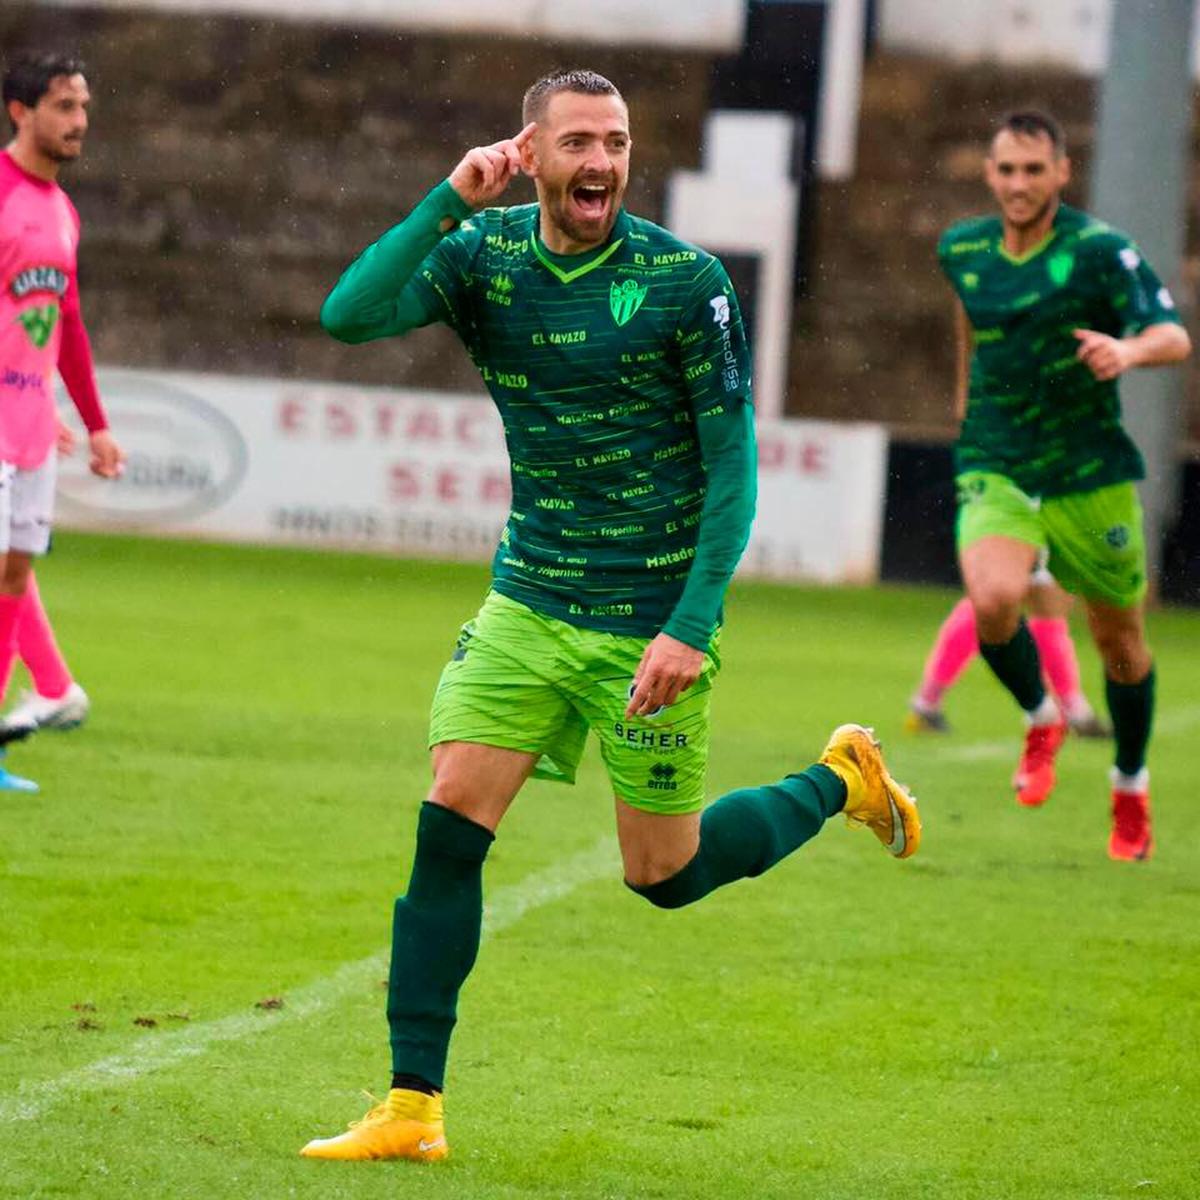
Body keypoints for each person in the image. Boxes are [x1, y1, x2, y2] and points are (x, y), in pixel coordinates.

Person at [302, 68, 921, 1163]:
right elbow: (347, 314)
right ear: (530, 155)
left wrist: (689, 625)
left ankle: (839, 781)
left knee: (664, 877)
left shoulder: (685, 282)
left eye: (617, 143)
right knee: (447, 826)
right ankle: (411, 1108)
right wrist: (450, 195)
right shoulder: (479, 254)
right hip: (528, 601)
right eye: (578, 142)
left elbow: (734, 470)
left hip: (650, 618)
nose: (600, 164)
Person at [940, 109, 1190, 858]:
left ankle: (1130, 783)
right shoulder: (963, 247)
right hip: (999, 458)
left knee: (1120, 644)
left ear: (1060, 173)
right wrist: (964, 408)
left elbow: (1173, 336)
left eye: (1033, 170)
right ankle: (1041, 715)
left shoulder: (1099, 251)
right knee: (992, 601)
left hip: (1088, 471)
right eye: (1006, 170)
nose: (1018, 184)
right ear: (990, 174)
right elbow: (969, 320)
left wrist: (1126, 350)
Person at [0, 52, 123, 789]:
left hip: (29, 425)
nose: (78, 122)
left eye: (83, 107)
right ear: (21, 111)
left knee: (15, 573)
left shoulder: (62, 210)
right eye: (63, 106)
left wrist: (94, 420)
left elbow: (65, 323)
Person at [906, 573, 1110, 738]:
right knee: (993, 601)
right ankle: (1071, 710)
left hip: (1036, 525)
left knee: (1038, 605)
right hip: (1023, 526)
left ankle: (1070, 708)